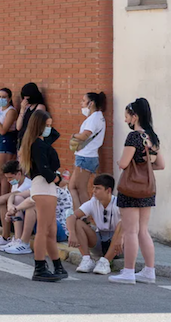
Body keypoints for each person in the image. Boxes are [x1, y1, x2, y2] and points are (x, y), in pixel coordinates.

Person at [110, 98, 164, 284]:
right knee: (143, 230)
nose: (126, 120)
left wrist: (120, 162)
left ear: (135, 116)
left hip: (131, 188)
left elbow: (124, 163)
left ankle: (128, 272)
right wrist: (143, 166)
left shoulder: (133, 137)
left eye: (127, 116)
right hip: (148, 188)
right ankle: (149, 271)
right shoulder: (152, 137)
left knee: (131, 231)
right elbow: (160, 165)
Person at [18, 109, 68, 282]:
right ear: (39, 126)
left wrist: (46, 121)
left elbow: (55, 134)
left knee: (50, 230)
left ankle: (57, 265)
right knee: (43, 229)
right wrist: (59, 178)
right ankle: (40, 266)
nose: (50, 128)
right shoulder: (37, 145)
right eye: (46, 125)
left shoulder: (39, 142)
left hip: (47, 188)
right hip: (44, 186)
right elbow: (44, 169)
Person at [68, 174, 123, 275]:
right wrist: (72, 234)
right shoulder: (93, 202)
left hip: (119, 245)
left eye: (97, 188)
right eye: (93, 187)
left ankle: (106, 262)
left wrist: (120, 238)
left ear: (108, 190)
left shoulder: (119, 203)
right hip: (100, 240)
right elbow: (72, 216)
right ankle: (86, 260)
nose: (93, 191)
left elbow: (128, 224)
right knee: (77, 222)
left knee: (122, 223)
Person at [69, 91, 107, 209]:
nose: (82, 104)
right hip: (88, 156)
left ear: (91, 103)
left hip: (86, 156)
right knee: (75, 187)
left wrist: (74, 136)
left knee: (78, 188)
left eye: (84, 101)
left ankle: (84, 216)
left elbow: (85, 135)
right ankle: (81, 215)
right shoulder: (98, 117)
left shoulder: (94, 118)